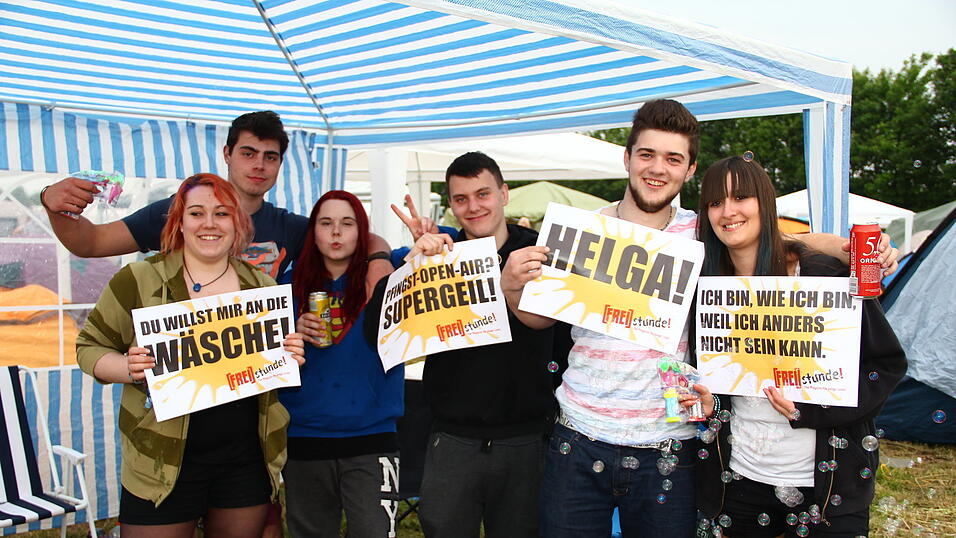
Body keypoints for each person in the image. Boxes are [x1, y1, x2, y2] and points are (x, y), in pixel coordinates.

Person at [499, 99, 899, 537]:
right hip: (577, 436)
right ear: (628, 157)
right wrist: (511, 287)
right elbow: (540, 320)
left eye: (673, 158)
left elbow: (776, 236)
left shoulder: (703, 232)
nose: (658, 168)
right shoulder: (578, 230)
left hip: (672, 444)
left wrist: (852, 249)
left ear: (689, 171)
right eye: (647, 154)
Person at [686, 155, 907, 537]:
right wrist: (713, 404)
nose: (728, 211)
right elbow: (725, 390)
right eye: (715, 202)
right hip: (738, 483)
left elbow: (884, 365)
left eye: (741, 197)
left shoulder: (824, 275)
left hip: (829, 488)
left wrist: (812, 409)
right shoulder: (707, 289)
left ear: (765, 204)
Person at [75, 173, 305, 538]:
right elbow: (88, 347)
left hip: (245, 460)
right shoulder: (138, 279)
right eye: (196, 213)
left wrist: (289, 354)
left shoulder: (263, 287)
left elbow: (271, 364)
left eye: (222, 213)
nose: (209, 224)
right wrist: (127, 367)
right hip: (160, 462)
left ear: (238, 223)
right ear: (179, 223)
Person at [364, 152, 570, 538]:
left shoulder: (540, 252)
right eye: (461, 199)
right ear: (451, 206)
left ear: (504, 194)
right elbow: (375, 331)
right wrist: (413, 266)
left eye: (483, 194)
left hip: (527, 440)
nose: (473, 206)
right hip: (451, 439)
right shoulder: (440, 257)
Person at [39, 110, 392, 281]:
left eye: (270, 157)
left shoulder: (290, 227)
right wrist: (54, 204)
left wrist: (378, 259)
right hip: (188, 377)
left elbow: (361, 236)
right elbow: (91, 243)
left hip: (256, 385)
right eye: (248, 153)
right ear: (227, 154)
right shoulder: (178, 212)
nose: (259, 165)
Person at [279, 190, 405, 538]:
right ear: (313, 232)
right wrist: (291, 333)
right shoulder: (285, 287)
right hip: (304, 438)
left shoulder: (392, 279)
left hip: (372, 438)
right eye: (326, 223)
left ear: (362, 232)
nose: (336, 233)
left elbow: (445, 251)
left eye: (347, 224)